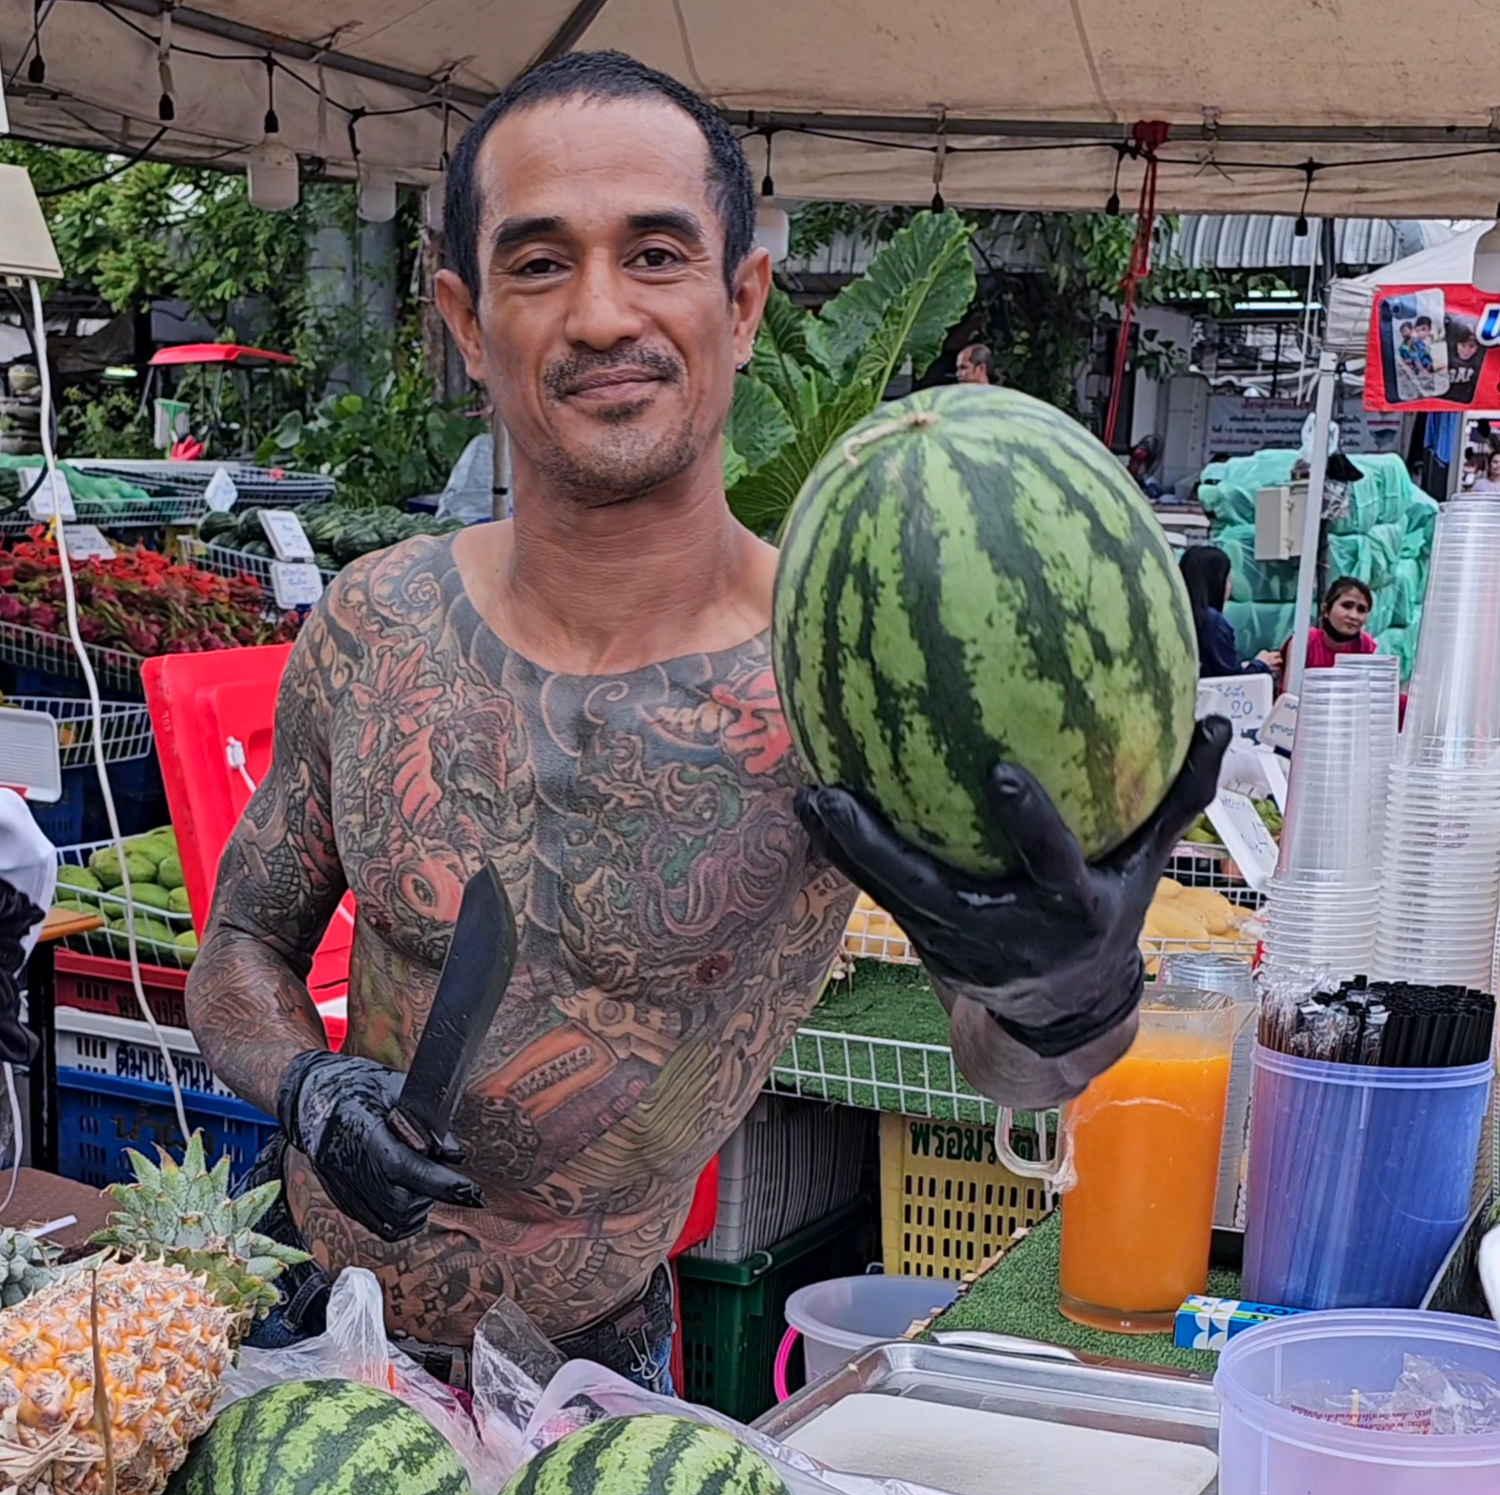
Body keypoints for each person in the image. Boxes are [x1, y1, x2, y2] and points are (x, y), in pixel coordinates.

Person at [186, 50, 1227, 1388]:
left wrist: (1065, 992)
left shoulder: (837, 691)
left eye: (657, 255)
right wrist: (308, 1089)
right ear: (465, 316)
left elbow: (1009, 1072)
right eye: (540, 263)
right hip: (325, 1347)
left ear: (742, 303)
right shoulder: (372, 626)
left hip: (594, 1383)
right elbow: (236, 953)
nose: (603, 313)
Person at [1178, 546, 1280, 680]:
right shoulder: (1212, 622)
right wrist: (1261, 664)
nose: (1230, 587)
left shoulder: (1177, 616)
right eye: (1228, 579)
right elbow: (1231, 681)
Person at [1302, 576, 1379, 669]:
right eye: (1346, 606)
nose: (1353, 616)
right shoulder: (1305, 642)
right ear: (1325, 609)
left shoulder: (1366, 646)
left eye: (1361, 610)